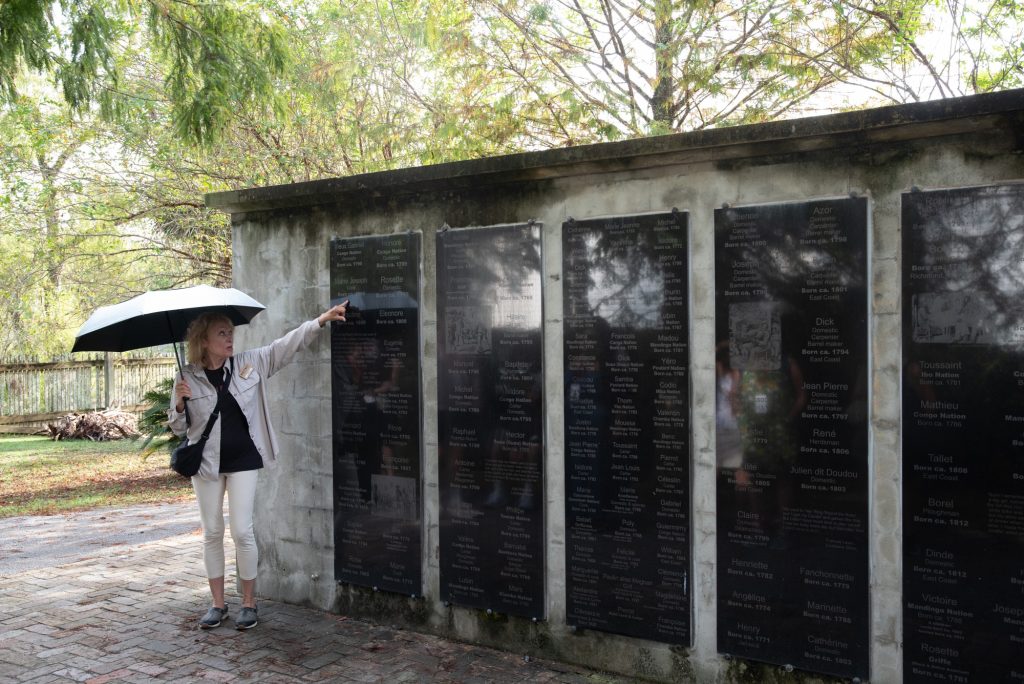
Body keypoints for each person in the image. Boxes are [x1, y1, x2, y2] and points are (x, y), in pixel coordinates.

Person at [168, 301, 348, 630]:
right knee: (212, 532)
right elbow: (180, 429)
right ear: (204, 341)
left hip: (244, 461)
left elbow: (284, 347)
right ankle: (218, 604)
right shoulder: (187, 378)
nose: (229, 338)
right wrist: (179, 404)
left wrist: (319, 321)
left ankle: (249, 604)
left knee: (241, 530)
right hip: (206, 464)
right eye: (221, 333)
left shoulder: (248, 364)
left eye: (230, 332)